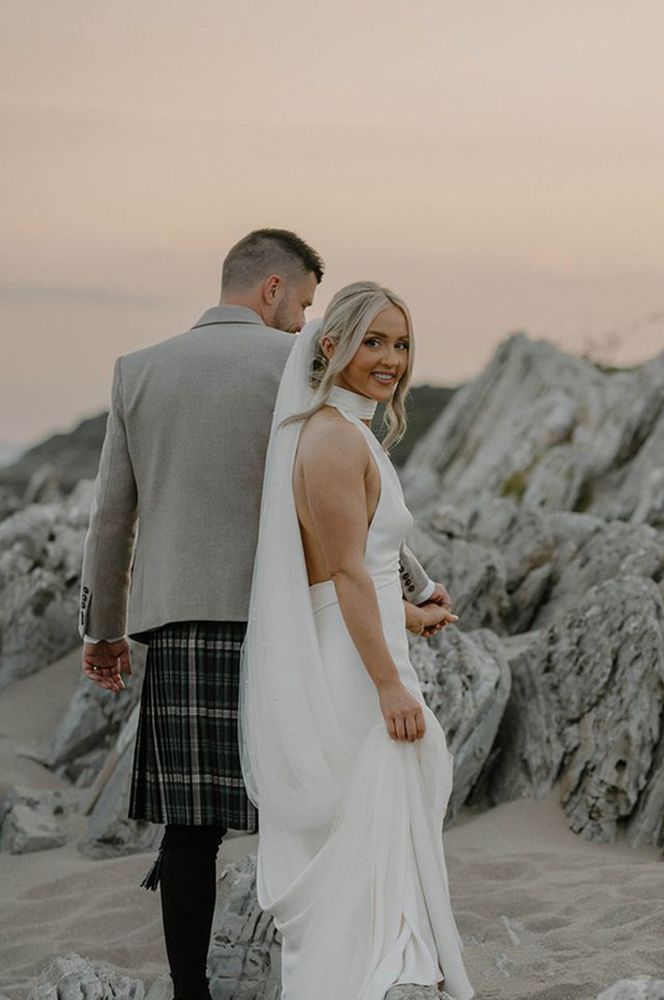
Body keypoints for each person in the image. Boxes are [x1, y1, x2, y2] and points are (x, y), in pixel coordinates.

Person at [79, 232, 449, 1000]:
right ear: (273, 288)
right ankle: (326, 973)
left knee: (190, 830)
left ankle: (190, 991)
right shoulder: (298, 365)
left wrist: (103, 630)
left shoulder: (137, 370)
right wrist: (414, 586)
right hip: (291, 619)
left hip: (185, 627)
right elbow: (343, 492)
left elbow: (113, 518)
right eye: (306, 303)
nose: (306, 322)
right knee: (316, 810)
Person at [239, 281, 474, 1000]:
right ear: (332, 345)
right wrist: (389, 684)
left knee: (374, 817)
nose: (391, 359)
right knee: (369, 813)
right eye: (373, 341)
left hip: (356, 638)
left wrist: (412, 617)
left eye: (400, 343)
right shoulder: (335, 441)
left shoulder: (334, 431)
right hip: (354, 663)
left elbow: (347, 573)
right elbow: (342, 572)